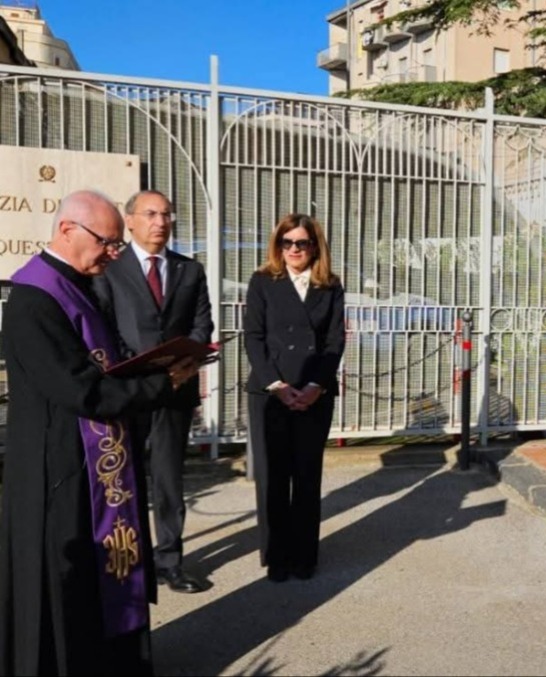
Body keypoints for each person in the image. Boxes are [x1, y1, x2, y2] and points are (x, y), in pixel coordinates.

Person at [0, 190, 201, 675]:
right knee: (67, 589)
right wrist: (161, 383)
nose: (113, 253)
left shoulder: (79, 285)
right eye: (107, 243)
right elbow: (82, 392)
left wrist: (156, 367)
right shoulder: (34, 297)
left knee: (100, 580)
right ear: (68, 230)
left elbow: (107, 366)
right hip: (60, 469)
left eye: (115, 244)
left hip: (94, 462)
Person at [93, 190, 214, 595]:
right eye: (150, 214)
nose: (160, 222)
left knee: (168, 481)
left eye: (166, 214)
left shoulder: (189, 271)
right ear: (129, 221)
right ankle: (129, 558)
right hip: (128, 393)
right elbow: (105, 329)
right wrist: (141, 371)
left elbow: (201, 327)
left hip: (175, 393)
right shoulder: (110, 269)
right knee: (123, 479)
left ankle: (170, 562)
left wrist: (184, 364)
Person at [244, 214, 345, 583]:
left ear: (314, 246)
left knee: (306, 475)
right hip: (271, 392)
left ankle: (305, 556)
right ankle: (276, 556)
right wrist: (277, 385)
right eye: (287, 243)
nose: (294, 250)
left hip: (314, 393)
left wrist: (317, 385)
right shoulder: (262, 281)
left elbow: (335, 340)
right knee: (272, 476)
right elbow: (252, 336)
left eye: (301, 243)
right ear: (278, 245)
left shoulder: (330, 286)